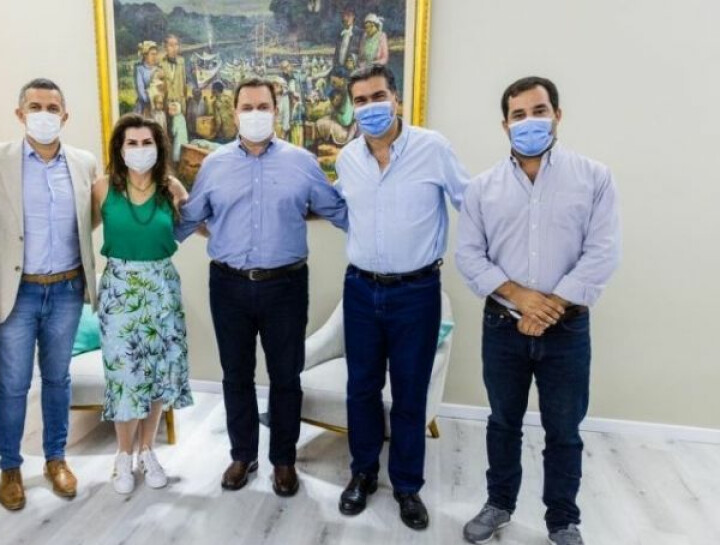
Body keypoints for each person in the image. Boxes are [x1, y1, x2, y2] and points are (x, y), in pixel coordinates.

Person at [457, 76, 621, 545]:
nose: (529, 121)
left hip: (567, 330)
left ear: (557, 115)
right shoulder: (482, 188)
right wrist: (520, 297)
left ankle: (563, 520)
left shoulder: (594, 178)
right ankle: (499, 504)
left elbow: (602, 251)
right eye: (519, 115)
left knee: (564, 430)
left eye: (539, 111)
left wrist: (551, 305)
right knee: (502, 422)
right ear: (505, 124)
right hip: (502, 326)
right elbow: (469, 255)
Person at [176, 77, 348, 498]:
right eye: (247, 107)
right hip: (228, 285)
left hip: (285, 285)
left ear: (276, 110)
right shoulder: (214, 165)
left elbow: (336, 209)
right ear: (235, 113)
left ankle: (283, 461)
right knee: (236, 374)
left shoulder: (302, 162)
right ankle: (243, 455)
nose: (255, 114)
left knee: (286, 376)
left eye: (263, 106)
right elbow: (190, 217)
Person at [334, 64, 469, 530]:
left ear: (397, 99)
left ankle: (408, 487)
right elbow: (343, 209)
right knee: (361, 388)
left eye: (378, 97)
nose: (370, 107)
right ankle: (363, 473)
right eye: (360, 100)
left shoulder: (433, 148)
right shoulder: (347, 159)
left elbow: (470, 203)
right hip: (360, 288)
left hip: (417, 291)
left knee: (410, 392)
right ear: (353, 108)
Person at [0, 78, 98, 511]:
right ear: (20, 114)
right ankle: (10, 467)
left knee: (57, 379)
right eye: (35, 107)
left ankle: (55, 458)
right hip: (17, 292)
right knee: (13, 385)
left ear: (65, 115)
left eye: (52, 107)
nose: (44, 114)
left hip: (66, 289)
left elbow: (89, 219)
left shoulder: (84, 163)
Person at [91, 113, 194, 494]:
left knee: (156, 375)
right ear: (119, 149)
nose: (139, 149)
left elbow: (201, 226)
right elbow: (75, 232)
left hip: (162, 289)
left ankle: (147, 450)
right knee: (125, 376)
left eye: (146, 142)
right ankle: (123, 455)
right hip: (119, 290)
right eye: (131, 143)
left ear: (158, 147)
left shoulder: (172, 188)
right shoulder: (102, 188)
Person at [161, 34, 189, 119]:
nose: (174, 48)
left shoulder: (182, 61)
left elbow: (184, 82)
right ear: (165, 47)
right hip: (167, 103)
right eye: (171, 45)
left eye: (176, 45)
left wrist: (184, 99)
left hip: (180, 102)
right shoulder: (161, 63)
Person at [135, 41, 160, 116]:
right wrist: (150, 99)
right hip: (144, 105)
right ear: (145, 55)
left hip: (158, 104)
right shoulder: (140, 69)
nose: (154, 57)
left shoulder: (158, 68)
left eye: (156, 54)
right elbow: (140, 88)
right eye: (152, 54)